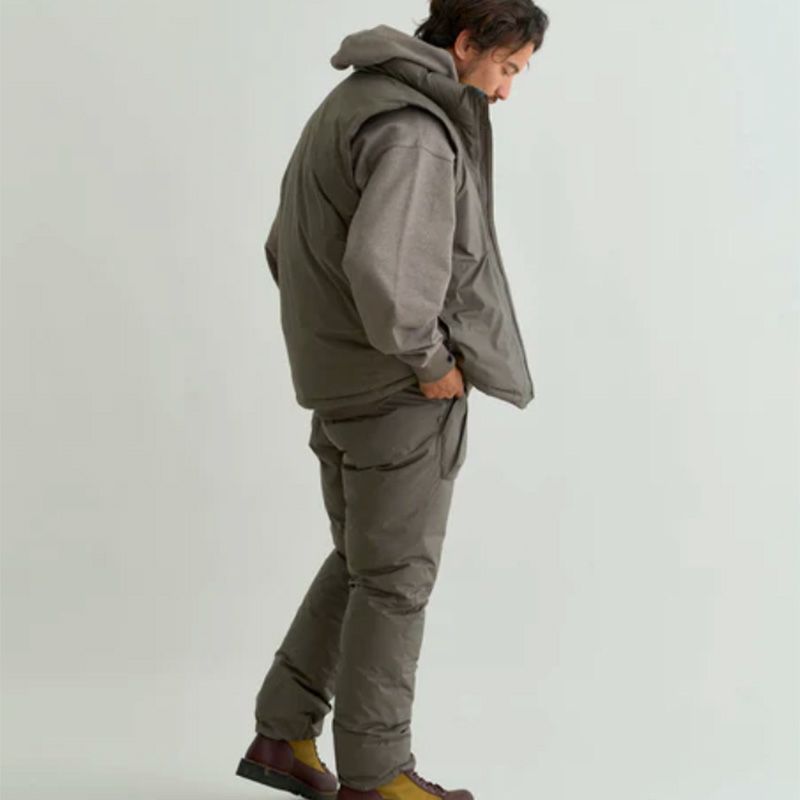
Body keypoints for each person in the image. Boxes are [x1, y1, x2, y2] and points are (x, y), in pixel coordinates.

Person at [236, 2, 549, 798]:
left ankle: (282, 734)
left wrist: (344, 348)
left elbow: (282, 247)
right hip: (397, 392)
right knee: (396, 582)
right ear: (468, 43)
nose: (507, 91)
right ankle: (377, 776)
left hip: (339, 383)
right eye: (507, 68)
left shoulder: (351, 102)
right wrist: (429, 360)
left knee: (363, 564)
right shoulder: (414, 130)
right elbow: (388, 276)